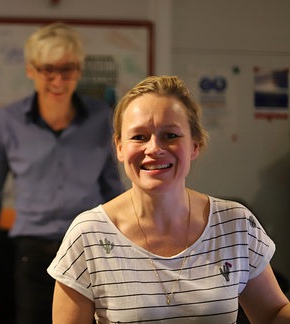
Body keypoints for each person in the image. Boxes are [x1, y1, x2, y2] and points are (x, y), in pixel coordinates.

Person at [47, 75, 290, 323]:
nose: (154, 148)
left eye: (170, 135)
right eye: (139, 137)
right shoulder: (88, 235)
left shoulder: (235, 224)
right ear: (119, 147)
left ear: (195, 145)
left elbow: (272, 314)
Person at [0, 22, 124, 324]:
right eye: (48, 69)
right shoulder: (8, 121)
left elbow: (113, 193)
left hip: (89, 249)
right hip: (31, 254)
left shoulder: (101, 119)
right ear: (31, 70)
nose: (58, 80)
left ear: (79, 70)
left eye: (68, 70)